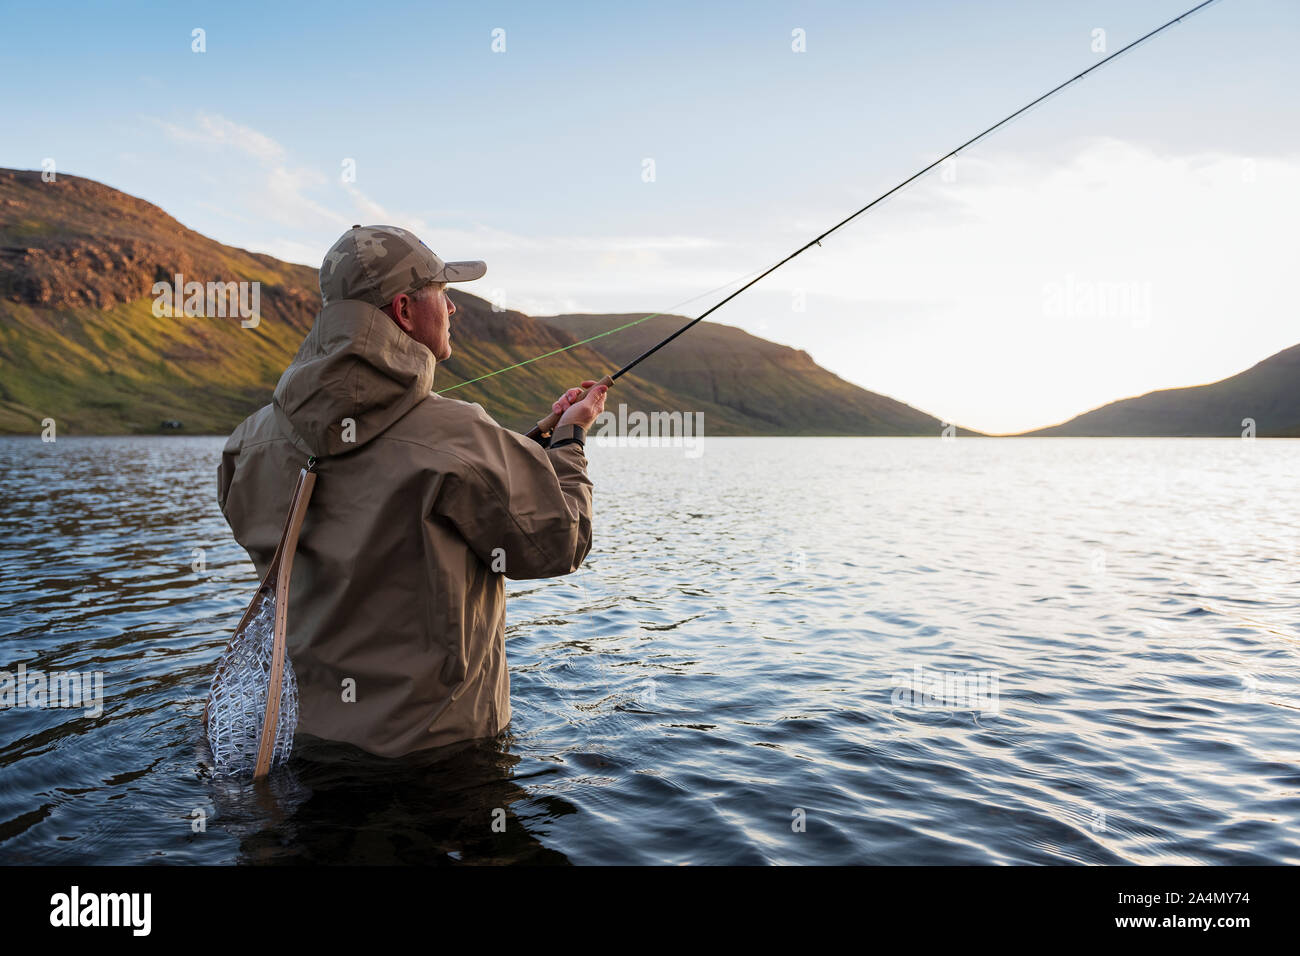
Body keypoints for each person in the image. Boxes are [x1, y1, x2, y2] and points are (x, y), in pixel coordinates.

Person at [217, 224, 606, 758]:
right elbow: (560, 541)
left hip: (301, 746)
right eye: (443, 295)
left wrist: (532, 443)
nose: (453, 311)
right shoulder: (459, 435)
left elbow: (400, 474)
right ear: (404, 311)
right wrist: (571, 441)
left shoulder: (247, 444)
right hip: (440, 757)